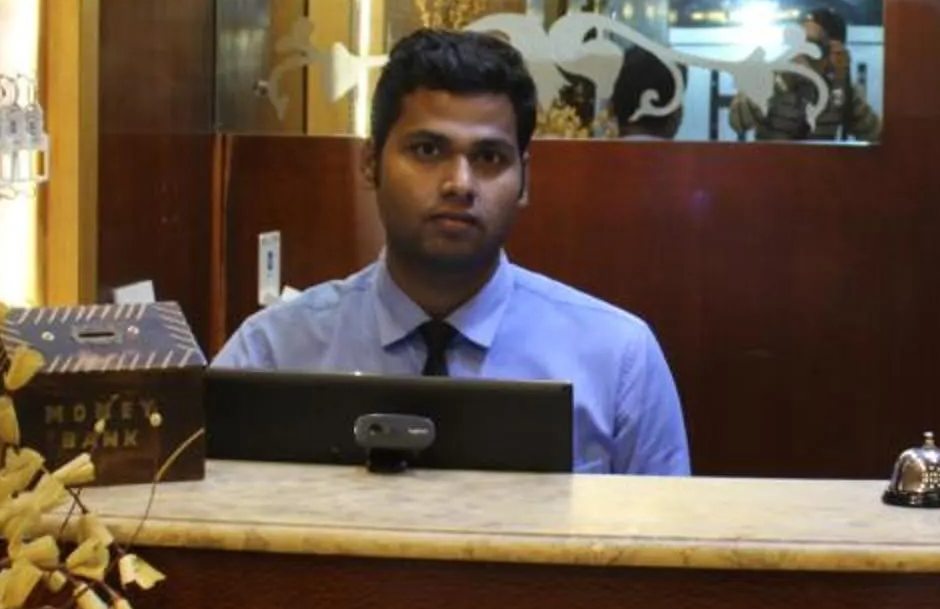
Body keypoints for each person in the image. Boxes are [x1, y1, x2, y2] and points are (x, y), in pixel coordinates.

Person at [217, 27, 690, 476]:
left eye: (489, 158)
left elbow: (663, 532)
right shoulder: (273, 354)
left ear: (524, 179)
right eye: (427, 150)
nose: (459, 184)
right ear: (370, 163)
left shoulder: (617, 360)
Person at [731, 5, 880, 143]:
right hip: (772, 161)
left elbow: (876, 135)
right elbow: (737, 121)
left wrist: (843, 81)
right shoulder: (772, 75)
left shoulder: (838, 88)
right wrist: (781, 81)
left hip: (817, 163)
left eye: (818, 47)